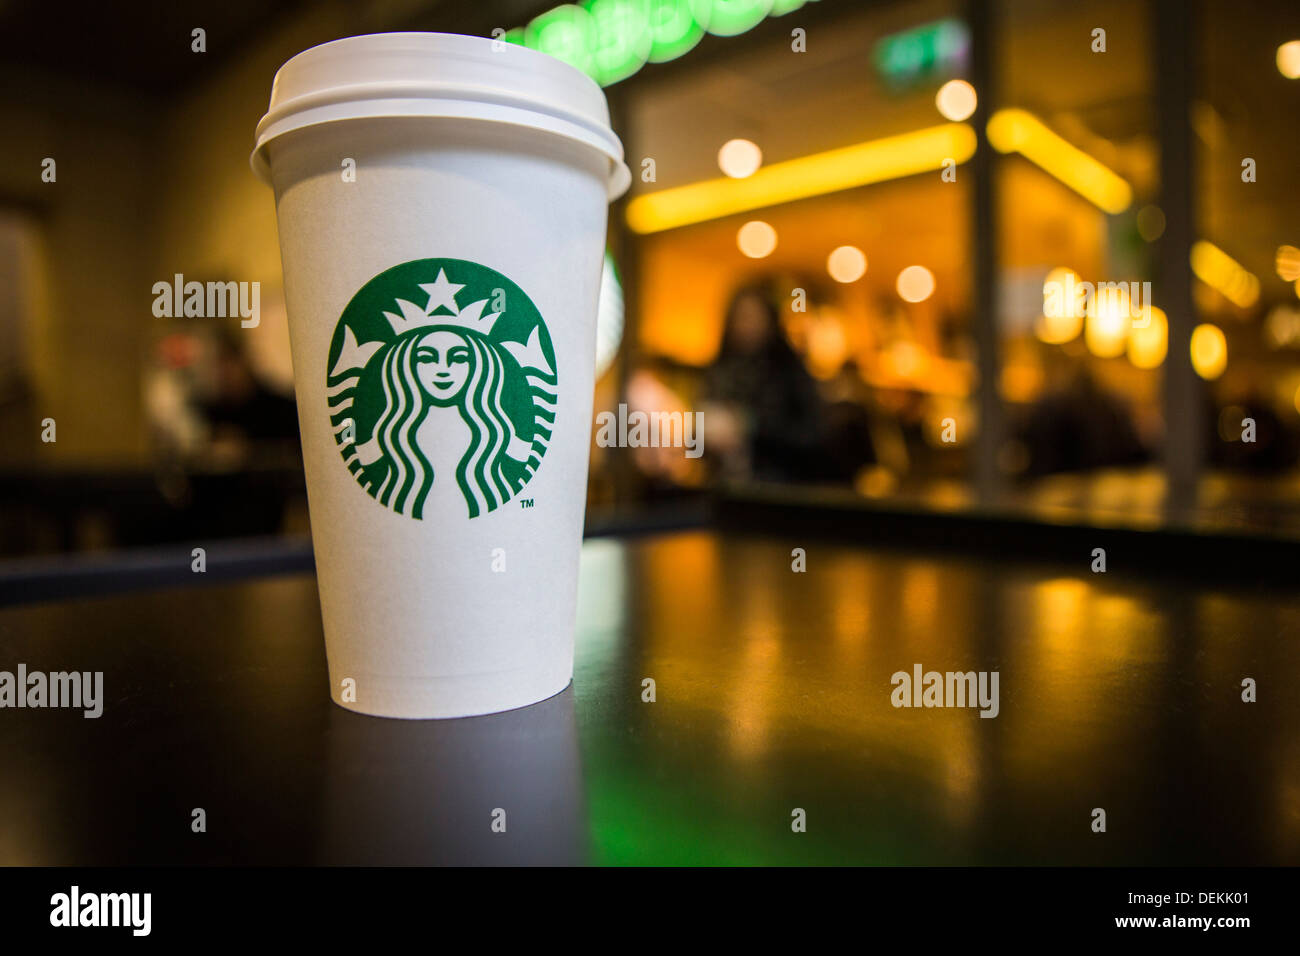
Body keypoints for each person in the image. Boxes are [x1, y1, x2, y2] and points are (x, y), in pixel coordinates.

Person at [702, 285, 828, 483]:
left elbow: (812, 436)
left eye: (753, 317)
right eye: (740, 317)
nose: (746, 326)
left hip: (779, 488)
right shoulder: (720, 369)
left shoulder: (789, 370)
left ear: (770, 321)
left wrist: (751, 425)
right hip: (725, 487)